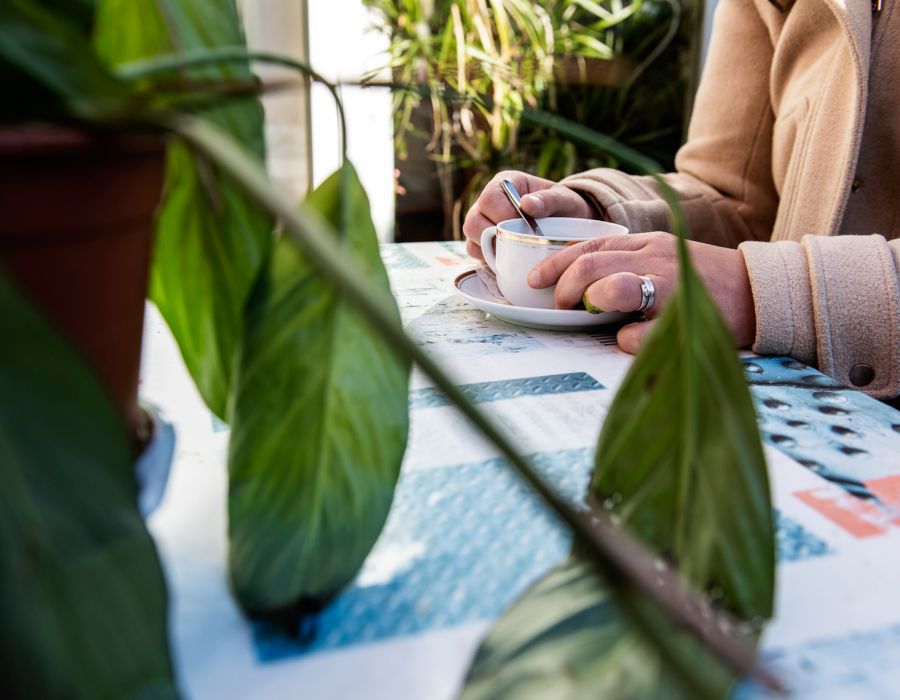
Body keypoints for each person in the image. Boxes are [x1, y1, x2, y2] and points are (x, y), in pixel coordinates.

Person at [463, 0, 900, 400]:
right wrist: (599, 212)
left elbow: (754, 279)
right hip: (772, 401)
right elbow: (731, 194)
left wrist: (767, 293)